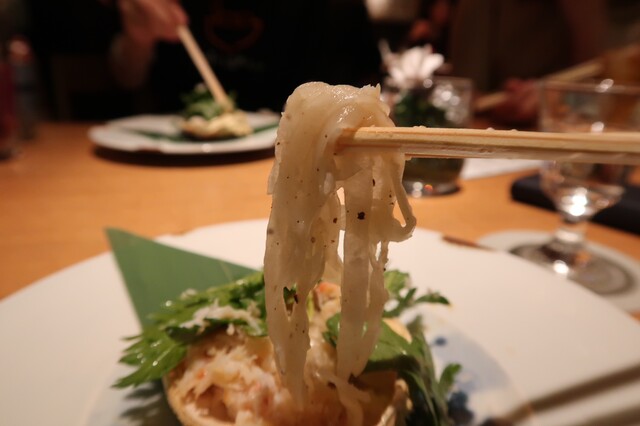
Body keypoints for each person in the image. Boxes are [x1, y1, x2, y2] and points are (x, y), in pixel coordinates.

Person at [110, 0, 383, 113]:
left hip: (281, 156)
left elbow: (353, 98)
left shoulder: (335, 9)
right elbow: (126, 77)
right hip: (168, 153)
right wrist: (138, 39)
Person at [448, 0, 607, 125]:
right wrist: (505, 105)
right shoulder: (482, 6)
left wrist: (559, 99)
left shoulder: (600, 10)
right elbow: (464, 96)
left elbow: (607, 86)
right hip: (502, 136)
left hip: (578, 133)